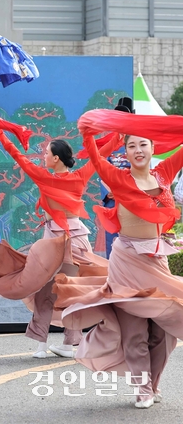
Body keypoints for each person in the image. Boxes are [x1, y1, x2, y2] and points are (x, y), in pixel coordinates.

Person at [54, 109, 183, 409]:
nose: (137, 150)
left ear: (153, 148)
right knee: (135, 329)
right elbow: (96, 158)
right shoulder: (116, 175)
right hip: (126, 260)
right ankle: (143, 389)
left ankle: (154, 383)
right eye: (131, 145)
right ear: (125, 151)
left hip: (156, 260)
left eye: (143, 144)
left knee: (163, 331)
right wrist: (87, 130)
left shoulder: (164, 173)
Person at [0, 108, 120, 359]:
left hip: (54, 241)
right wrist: (120, 130)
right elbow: (103, 153)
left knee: (45, 290)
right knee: (72, 291)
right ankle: (68, 343)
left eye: (46, 153)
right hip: (77, 239)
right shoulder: (80, 176)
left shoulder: (43, 177)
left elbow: (16, 155)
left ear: (56, 159)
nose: (43, 156)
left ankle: (42, 344)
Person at [100, 97, 134, 257]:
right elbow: (102, 168)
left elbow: (142, 169)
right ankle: (112, 275)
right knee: (112, 240)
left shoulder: (137, 142)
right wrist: (109, 192)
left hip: (131, 197)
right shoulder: (110, 143)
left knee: (132, 239)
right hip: (112, 197)